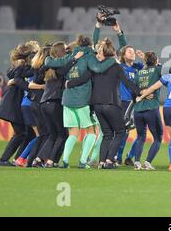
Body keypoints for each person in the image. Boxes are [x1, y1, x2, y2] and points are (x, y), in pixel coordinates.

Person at [66, 38, 141, 169]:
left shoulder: (95, 67)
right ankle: (109, 161)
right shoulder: (116, 66)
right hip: (111, 104)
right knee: (119, 131)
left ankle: (101, 162)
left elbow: (82, 79)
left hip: (97, 105)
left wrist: (68, 83)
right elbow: (128, 83)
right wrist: (141, 92)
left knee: (107, 134)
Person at [44, 34, 116, 169]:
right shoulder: (89, 57)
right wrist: (113, 60)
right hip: (82, 99)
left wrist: (48, 53)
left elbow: (49, 62)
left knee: (73, 133)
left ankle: (65, 161)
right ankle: (83, 161)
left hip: (67, 99)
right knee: (91, 131)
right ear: (89, 45)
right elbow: (99, 68)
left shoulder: (70, 56)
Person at [33, 42, 83, 167]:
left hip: (44, 102)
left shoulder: (48, 66)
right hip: (55, 102)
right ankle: (51, 161)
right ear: (61, 51)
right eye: (65, 49)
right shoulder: (60, 66)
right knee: (62, 134)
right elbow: (63, 71)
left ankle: (38, 159)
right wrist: (74, 59)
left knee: (53, 134)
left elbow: (38, 76)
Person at [0, 42, 37, 166]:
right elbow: (14, 75)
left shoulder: (20, 67)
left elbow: (12, 74)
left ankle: (18, 159)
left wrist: (15, 79)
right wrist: (28, 86)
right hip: (13, 105)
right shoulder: (21, 67)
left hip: (16, 105)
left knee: (25, 133)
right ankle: (4, 160)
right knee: (21, 133)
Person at [131, 52, 162, 171]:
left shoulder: (138, 73)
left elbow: (133, 91)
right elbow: (169, 70)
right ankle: (148, 162)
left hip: (138, 110)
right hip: (151, 108)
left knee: (140, 137)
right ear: (155, 61)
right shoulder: (157, 69)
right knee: (158, 137)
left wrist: (142, 92)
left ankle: (137, 162)